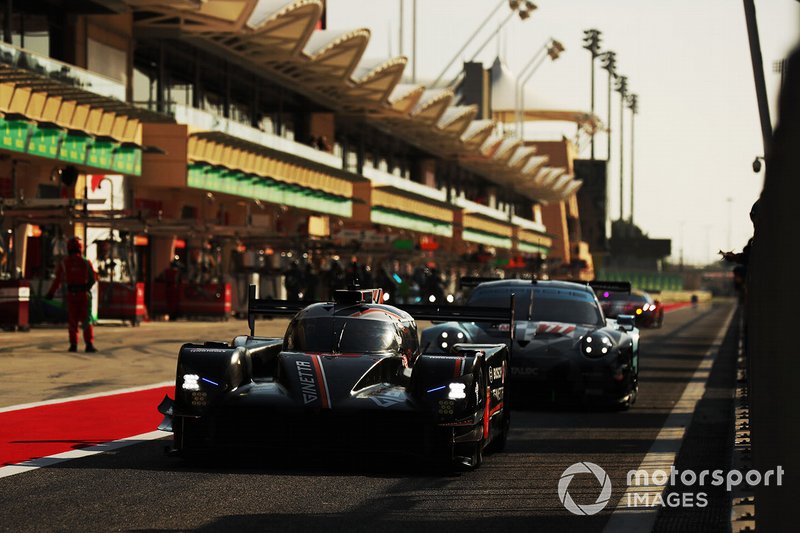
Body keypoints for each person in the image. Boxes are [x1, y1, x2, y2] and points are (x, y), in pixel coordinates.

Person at [45, 237, 98, 353]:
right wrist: (86, 288)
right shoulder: (85, 262)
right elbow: (93, 279)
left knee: (72, 320)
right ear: (80, 248)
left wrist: (50, 294)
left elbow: (57, 280)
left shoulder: (64, 263)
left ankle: (73, 345)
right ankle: (89, 344)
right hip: (83, 294)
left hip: (71, 295)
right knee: (86, 320)